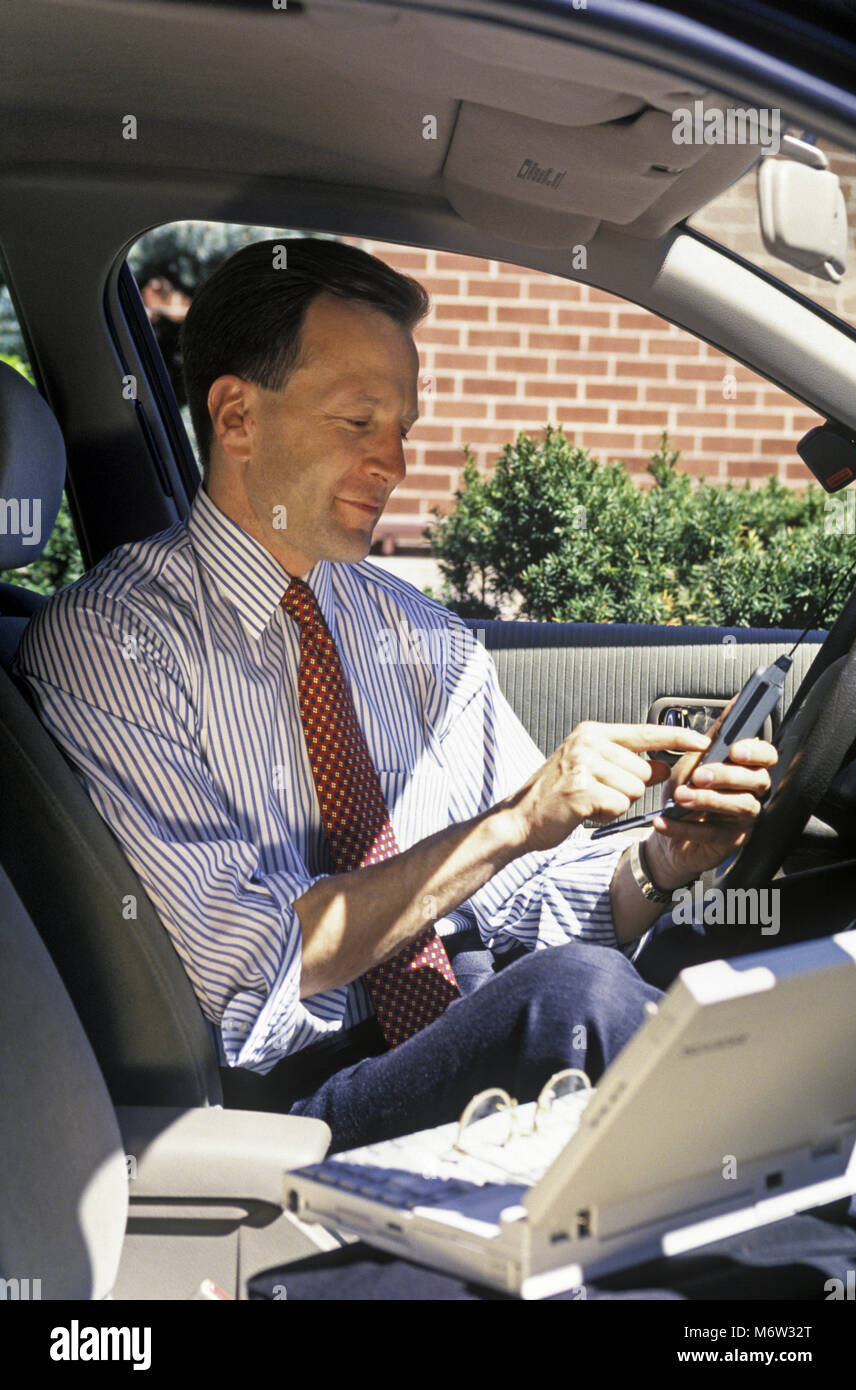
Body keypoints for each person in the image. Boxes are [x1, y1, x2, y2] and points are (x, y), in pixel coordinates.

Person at [12, 239, 777, 1151]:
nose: (396, 463)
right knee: (578, 999)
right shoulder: (115, 643)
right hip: (294, 1102)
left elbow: (525, 893)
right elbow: (246, 975)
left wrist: (661, 864)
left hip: (466, 1014)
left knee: (693, 992)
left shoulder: (419, 635)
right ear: (237, 415)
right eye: (358, 422)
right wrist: (507, 823)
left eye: (404, 428)